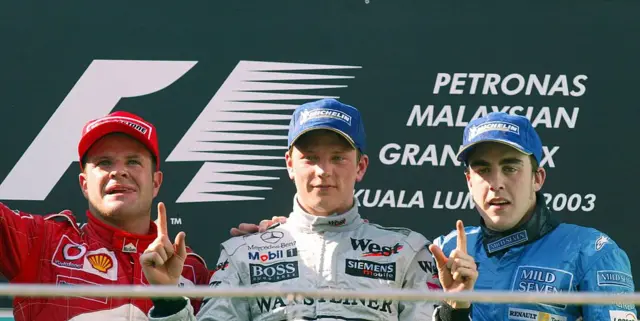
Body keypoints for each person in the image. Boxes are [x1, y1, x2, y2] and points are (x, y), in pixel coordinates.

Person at [233, 111, 638, 320]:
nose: (496, 182)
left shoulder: (592, 251)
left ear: (538, 177)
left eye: (511, 167)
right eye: (482, 168)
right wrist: (287, 236)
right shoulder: (442, 251)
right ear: (467, 179)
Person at [141, 98, 478, 321]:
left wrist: (454, 309)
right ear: (290, 164)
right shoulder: (243, 251)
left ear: (360, 167)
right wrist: (169, 300)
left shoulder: (405, 250)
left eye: (338, 158)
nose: (323, 170)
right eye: (310, 158)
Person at [0, 111, 210, 321]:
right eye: (105, 162)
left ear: (156, 183)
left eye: (133, 161)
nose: (118, 172)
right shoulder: (42, 241)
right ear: (84, 184)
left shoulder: (190, 269)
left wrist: (170, 303)